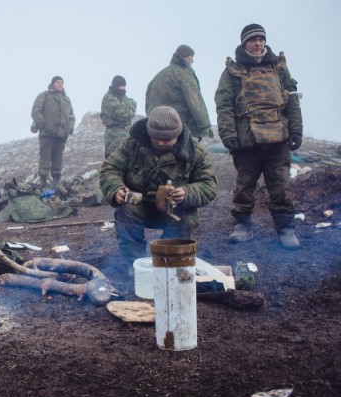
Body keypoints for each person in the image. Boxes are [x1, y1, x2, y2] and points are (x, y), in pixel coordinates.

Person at [215, 24, 303, 249]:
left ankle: (285, 229)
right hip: (247, 141)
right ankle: (243, 226)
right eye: (253, 40)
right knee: (244, 186)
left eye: (261, 39)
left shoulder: (279, 68)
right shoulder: (232, 72)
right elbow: (223, 104)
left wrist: (296, 130)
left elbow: (292, 100)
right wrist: (228, 134)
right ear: (244, 43)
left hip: (277, 139)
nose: (258, 43)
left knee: (281, 186)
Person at [99, 106, 217, 266]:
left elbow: (208, 184)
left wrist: (187, 192)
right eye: (156, 138)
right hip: (139, 205)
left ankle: (171, 263)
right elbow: (110, 169)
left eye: (167, 139)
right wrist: (115, 189)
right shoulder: (131, 146)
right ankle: (134, 266)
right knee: (125, 211)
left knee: (186, 218)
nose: (161, 142)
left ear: (177, 134)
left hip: (174, 209)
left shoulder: (195, 153)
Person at [146, 45, 213, 140]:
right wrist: (204, 126)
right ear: (185, 56)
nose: (193, 61)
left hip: (156, 126)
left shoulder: (159, 75)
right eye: (191, 57)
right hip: (178, 126)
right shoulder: (184, 74)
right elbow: (195, 101)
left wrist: (150, 120)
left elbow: (148, 100)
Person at [31, 76, 75, 186]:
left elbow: (71, 116)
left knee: (58, 158)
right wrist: (42, 124)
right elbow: (36, 111)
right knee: (45, 157)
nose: (60, 84)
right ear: (52, 84)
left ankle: (56, 180)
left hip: (61, 134)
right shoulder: (44, 95)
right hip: (47, 133)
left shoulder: (66, 99)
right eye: (57, 82)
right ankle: (43, 181)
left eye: (61, 82)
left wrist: (70, 127)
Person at [100, 75, 137, 158]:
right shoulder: (109, 98)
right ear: (115, 86)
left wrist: (129, 107)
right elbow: (122, 114)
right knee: (114, 159)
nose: (123, 89)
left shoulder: (122, 96)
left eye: (124, 86)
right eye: (121, 86)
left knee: (126, 159)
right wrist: (130, 110)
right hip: (114, 134)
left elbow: (133, 102)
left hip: (124, 132)